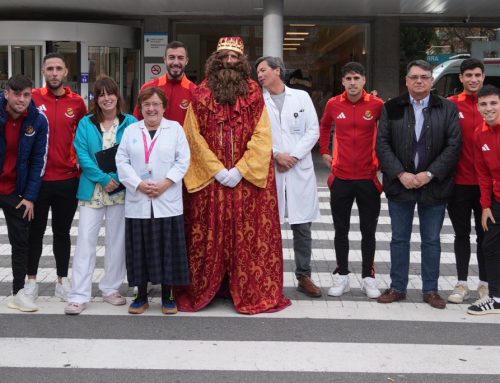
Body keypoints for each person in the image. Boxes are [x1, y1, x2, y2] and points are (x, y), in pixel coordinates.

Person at [175, 37, 291, 314]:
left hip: (246, 181)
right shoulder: (200, 93)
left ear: (242, 62)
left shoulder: (254, 92)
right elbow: (192, 136)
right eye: (224, 57)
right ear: (215, 60)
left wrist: (241, 169)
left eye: (234, 58)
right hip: (211, 181)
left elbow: (263, 136)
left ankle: (247, 288)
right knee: (208, 235)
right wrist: (217, 169)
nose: (229, 62)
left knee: (246, 237)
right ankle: (211, 287)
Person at [376, 59, 462, 309]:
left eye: (424, 77)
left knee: (432, 240)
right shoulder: (391, 107)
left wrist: (430, 174)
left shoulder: (446, 108)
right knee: (399, 239)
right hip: (400, 184)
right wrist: (401, 174)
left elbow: (453, 145)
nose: (419, 81)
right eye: (414, 77)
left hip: (434, 185)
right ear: (406, 80)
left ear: (431, 81)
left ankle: (431, 290)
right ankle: (397, 287)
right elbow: (382, 144)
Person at [64, 76, 137, 315]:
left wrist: (116, 177)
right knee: (85, 241)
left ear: (118, 95)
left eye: (111, 93)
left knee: (117, 242)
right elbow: (82, 154)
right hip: (93, 190)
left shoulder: (130, 123)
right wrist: (104, 178)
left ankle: (111, 289)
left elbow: (133, 155)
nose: (107, 98)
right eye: (102, 94)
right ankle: (78, 295)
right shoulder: (86, 123)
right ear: (96, 98)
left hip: (120, 190)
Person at [117, 87, 190, 315]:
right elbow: (122, 161)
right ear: (140, 108)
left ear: (164, 107)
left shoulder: (175, 130)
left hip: (166, 199)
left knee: (167, 248)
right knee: (140, 249)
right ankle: (140, 295)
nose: (151, 109)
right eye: (147, 105)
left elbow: (183, 160)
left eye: (156, 104)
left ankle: (168, 295)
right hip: (139, 198)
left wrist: (166, 183)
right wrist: (138, 183)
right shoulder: (131, 130)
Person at [256, 56, 321, 298]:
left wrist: (292, 156)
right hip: (271, 168)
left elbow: (313, 130)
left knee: (302, 226)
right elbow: (255, 136)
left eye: (263, 70)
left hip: (297, 168)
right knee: (268, 226)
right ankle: (266, 275)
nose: (260, 75)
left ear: (277, 71)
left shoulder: (301, 97)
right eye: (258, 72)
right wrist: (276, 155)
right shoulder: (258, 102)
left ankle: (304, 276)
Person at [319, 62, 384, 299]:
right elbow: (325, 126)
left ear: (364, 80)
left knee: (369, 231)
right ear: (343, 82)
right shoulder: (334, 104)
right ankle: (342, 275)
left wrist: (382, 164)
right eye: (348, 78)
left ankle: (369, 277)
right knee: (341, 231)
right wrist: (324, 151)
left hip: (368, 178)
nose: (353, 82)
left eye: (357, 78)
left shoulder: (377, 105)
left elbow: (386, 134)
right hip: (342, 178)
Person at [26, 52, 87, 302]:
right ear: (43, 71)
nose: (53, 73)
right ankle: (31, 282)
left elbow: (83, 139)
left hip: (66, 179)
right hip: (37, 181)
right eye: (49, 68)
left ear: (65, 72)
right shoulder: (32, 98)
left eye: (58, 68)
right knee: (35, 233)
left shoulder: (77, 103)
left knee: (62, 233)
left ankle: (62, 281)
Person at [1, 74, 48, 312]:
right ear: (6, 93)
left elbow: (39, 160)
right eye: (17, 94)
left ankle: (18, 292)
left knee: (21, 243)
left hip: (15, 190)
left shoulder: (38, 120)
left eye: (26, 95)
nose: (21, 99)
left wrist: (30, 196)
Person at [447, 58, 488, 304]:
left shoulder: (492, 103)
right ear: (461, 78)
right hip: (459, 184)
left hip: (487, 185)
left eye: (477, 75)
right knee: (461, 234)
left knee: (486, 236)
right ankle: (461, 283)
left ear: (483, 76)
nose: (473, 79)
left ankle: (485, 283)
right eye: (469, 75)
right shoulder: (451, 105)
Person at [468, 84, 500, 315]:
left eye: (493, 103)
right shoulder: (479, 134)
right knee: (489, 246)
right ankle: (496, 298)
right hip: (496, 201)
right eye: (484, 104)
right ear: (478, 107)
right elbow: (483, 173)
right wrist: (486, 205)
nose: (488, 108)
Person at [133, 40, 196, 125]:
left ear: (186, 61)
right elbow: (137, 121)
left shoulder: (194, 91)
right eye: (171, 57)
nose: (176, 62)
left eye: (180, 58)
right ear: (164, 59)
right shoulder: (149, 87)